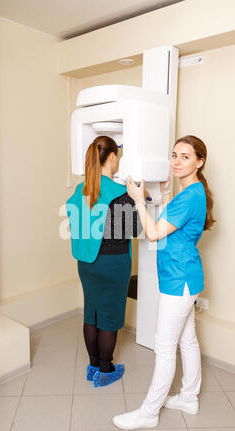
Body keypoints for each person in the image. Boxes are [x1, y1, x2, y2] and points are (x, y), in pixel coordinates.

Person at [113, 135, 216, 429]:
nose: (176, 161)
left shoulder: (192, 195)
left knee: (165, 347)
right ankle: (189, 396)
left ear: (200, 162)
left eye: (185, 156)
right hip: (186, 277)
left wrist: (137, 201)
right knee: (188, 340)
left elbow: (155, 232)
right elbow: (175, 224)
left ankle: (149, 413)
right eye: (174, 155)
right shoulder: (192, 193)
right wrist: (166, 195)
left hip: (178, 279)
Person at [66, 135, 143, 388]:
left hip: (86, 264)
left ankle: (92, 366)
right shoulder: (121, 193)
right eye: (117, 155)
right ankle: (106, 369)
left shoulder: (81, 190)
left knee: (92, 313)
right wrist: (139, 199)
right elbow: (135, 230)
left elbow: (75, 219)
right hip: (113, 264)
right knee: (109, 317)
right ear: (111, 157)